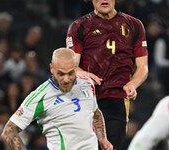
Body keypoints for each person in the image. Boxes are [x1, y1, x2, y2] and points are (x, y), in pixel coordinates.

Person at [66, 0, 148, 149]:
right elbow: (71, 66)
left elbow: (143, 67)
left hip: (118, 101)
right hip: (88, 99)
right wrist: (85, 74)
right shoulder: (79, 26)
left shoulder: (135, 25)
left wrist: (132, 84)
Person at [1, 48, 113, 150]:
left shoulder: (87, 83)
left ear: (76, 68)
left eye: (70, 73)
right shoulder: (41, 96)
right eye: (61, 74)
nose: (66, 79)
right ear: (52, 69)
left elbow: (95, 112)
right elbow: (8, 131)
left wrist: (102, 138)